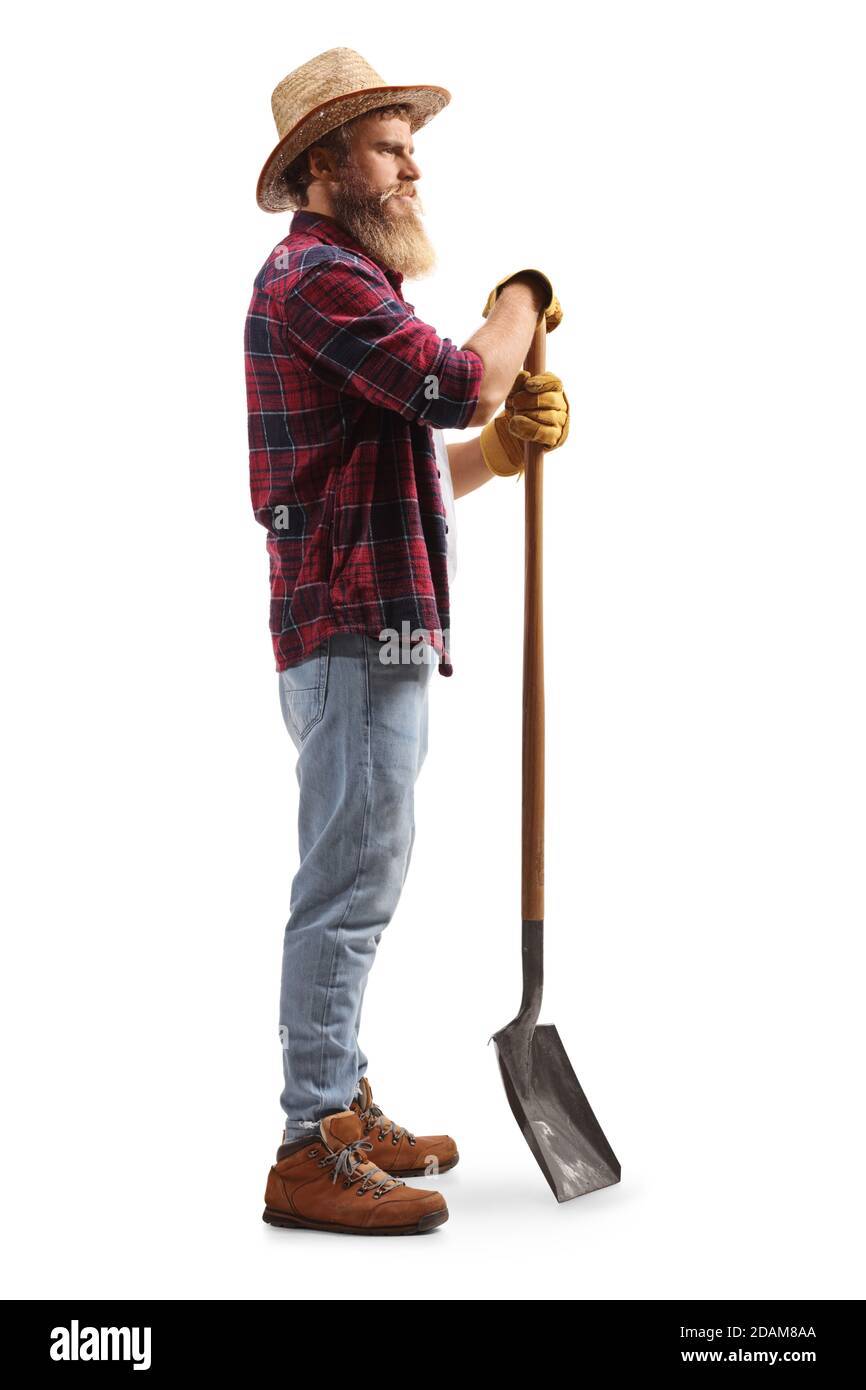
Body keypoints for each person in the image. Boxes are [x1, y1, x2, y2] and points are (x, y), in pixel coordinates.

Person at [245, 48, 570, 1235]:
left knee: (359, 871)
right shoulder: (315, 281)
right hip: (348, 632)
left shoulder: (351, 287)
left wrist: (509, 455)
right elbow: (457, 382)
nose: (411, 162)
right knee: (346, 883)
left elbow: (418, 462)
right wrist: (520, 302)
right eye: (388, 145)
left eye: (406, 143)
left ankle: (341, 1101)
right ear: (326, 165)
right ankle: (305, 1141)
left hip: (360, 624)